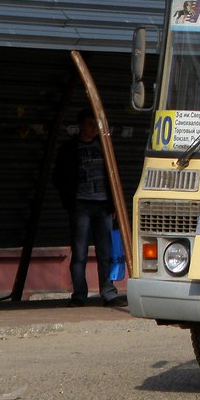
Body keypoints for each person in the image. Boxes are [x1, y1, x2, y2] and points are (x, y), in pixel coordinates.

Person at [53, 108, 126, 307]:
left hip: (103, 206)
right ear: (81, 126)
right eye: (89, 124)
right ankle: (79, 294)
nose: (93, 128)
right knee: (79, 253)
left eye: (96, 124)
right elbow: (58, 177)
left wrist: (114, 204)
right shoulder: (69, 149)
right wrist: (69, 201)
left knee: (105, 252)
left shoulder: (105, 147)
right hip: (80, 206)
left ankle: (108, 292)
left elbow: (115, 175)